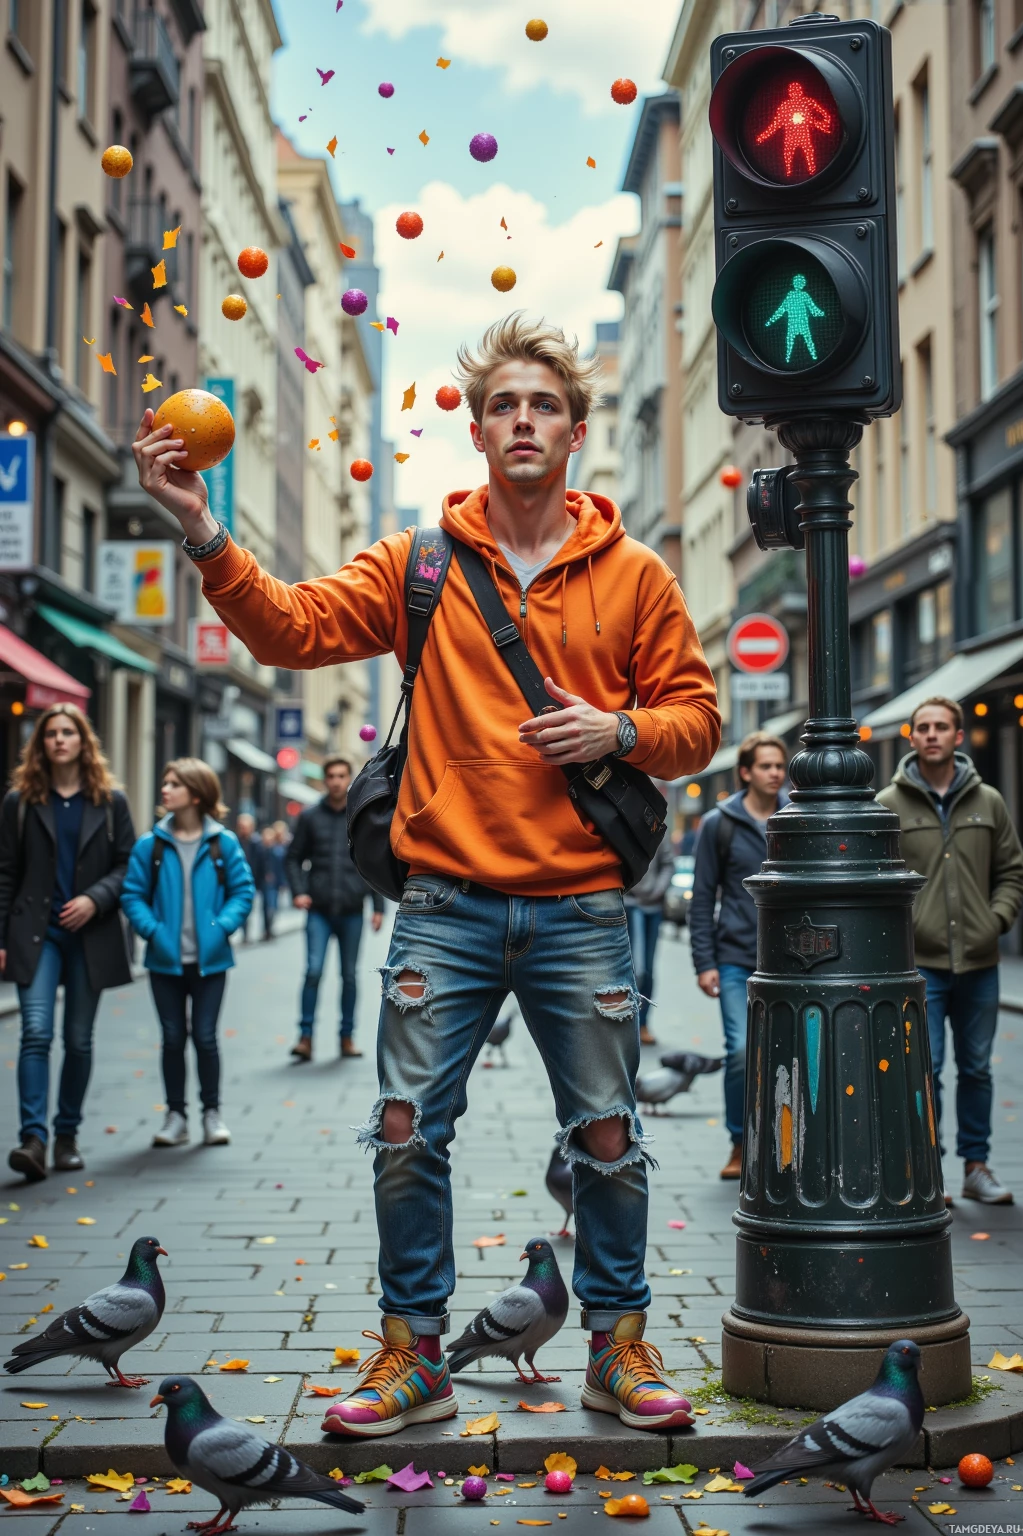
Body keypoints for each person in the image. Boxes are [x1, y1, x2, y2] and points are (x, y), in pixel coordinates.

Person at [131, 312, 719, 1438]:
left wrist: (619, 731)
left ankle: (617, 1348)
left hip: (581, 904)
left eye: (543, 404)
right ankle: (415, 1359)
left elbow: (696, 721)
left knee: (607, 1134)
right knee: (406, 1131)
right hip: (443, 903)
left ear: (577, 429)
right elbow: (294, 631)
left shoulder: (635, 574)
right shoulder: (423, 563)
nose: (523, 420)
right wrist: (203, 530)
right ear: (478, 427)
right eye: (503, 404)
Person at [877, 697, 1023, 1205]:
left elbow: (1011, 871)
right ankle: (929, 1169)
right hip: (920, 967)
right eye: (924, 727)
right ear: (911, 736)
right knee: (926, 1068)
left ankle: (977, 1166)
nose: (933, 734)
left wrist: (996, 921)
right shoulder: (888, 804)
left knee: (978, 1068)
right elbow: (878, 883)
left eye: (943, 727)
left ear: (959, 736)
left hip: (980, 963)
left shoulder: (989, 801)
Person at [0, 704, 136, 1180]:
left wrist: (94, 900)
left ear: (83, 742)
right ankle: (32, 1139)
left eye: (68, 732)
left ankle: (67, 1136)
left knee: (78, 1040)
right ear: (41, 745)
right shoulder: (20, 802)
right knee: (36, 1032)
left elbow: (127, 867)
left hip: (89, 934)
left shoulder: (110, 801)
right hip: (35, 934)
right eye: (51, 733)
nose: (59, 739)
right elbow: (5, 874)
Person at [122, 758, 254, 1149]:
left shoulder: (222, 843)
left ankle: (211, 1114)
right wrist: (154, 931)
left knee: (206, 1037)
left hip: (210, 960)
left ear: (195, 793)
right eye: (165, 782)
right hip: (165, 960)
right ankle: (176, 1116)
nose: (165, 789)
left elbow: (243, 892)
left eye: (173, 783)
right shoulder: (151, 845)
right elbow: (132, 894)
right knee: (172, 1037)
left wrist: (220, 927)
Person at [689, 733, 788, 1180]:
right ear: (745, 772)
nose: (775, 773)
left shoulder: (795, 817)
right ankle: (738, 1143)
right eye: (766, 766)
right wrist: (703, 962)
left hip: (789, 960)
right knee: (740, 1051)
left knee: (789, 1056)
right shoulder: (719, 823)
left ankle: (786, 1147)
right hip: (734, 959)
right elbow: (702, 897)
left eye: (779, 766)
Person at [284, 757, 385, 1061]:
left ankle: (346, 1038)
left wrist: (377, 905)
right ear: (325, 780)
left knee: (349, 976)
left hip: (353, 910)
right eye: (331, 776)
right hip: (319, 909)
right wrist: (299, 892)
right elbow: (293, 858)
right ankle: (305, 1037)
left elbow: (371, 860)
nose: (336, 781)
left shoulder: (359, 816)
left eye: (342, 776)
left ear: (349, 779)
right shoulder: (310, 817)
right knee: (313, 972)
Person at [624, 835, 675, 1046]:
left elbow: (668, 864)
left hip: (652, 908)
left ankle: (643, 1024)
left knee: (648, 970)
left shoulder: (658, 827)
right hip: (629, 903)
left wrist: (658, 889)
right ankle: (626, 1023)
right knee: (636, 969)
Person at [235, 813, 265, 942]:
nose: (243, 829)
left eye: (245, 827)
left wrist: (260, 882)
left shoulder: (257, 843)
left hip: (252, 880)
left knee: (248, 908)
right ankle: (243, 931)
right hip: (236, 880)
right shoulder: (234, 842)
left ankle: (247, 932)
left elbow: (262, 864)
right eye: (241, 827)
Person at [260, 823, 286, 939]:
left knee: (273, 905)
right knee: (267, 905)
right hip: (267, 882)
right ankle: (267, 929)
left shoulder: (279, 849)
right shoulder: (266, 850)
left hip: (275, 882)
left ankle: (269, 928)